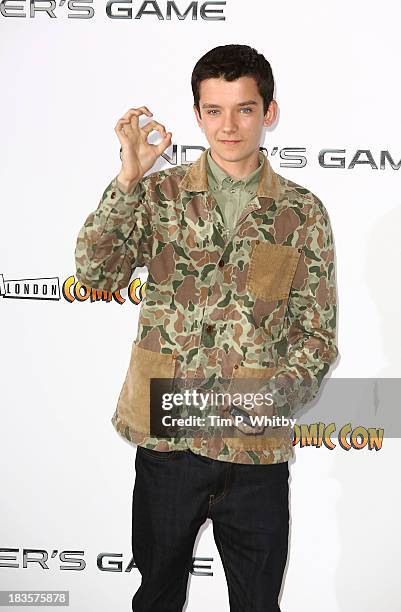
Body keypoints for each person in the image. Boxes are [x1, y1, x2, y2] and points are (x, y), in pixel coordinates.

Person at [75, 44, 338, 612]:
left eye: (244, 109)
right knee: (158, 596)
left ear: (269, 112)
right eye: (214, 110)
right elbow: (96, 272)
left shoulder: (302, 212)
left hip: (255, 450)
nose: (229, 126)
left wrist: (265, 401)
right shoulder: (158, 196)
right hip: (168, 439)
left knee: (256, 603)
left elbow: (316, 337)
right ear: (197, 113)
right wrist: (127, 178)